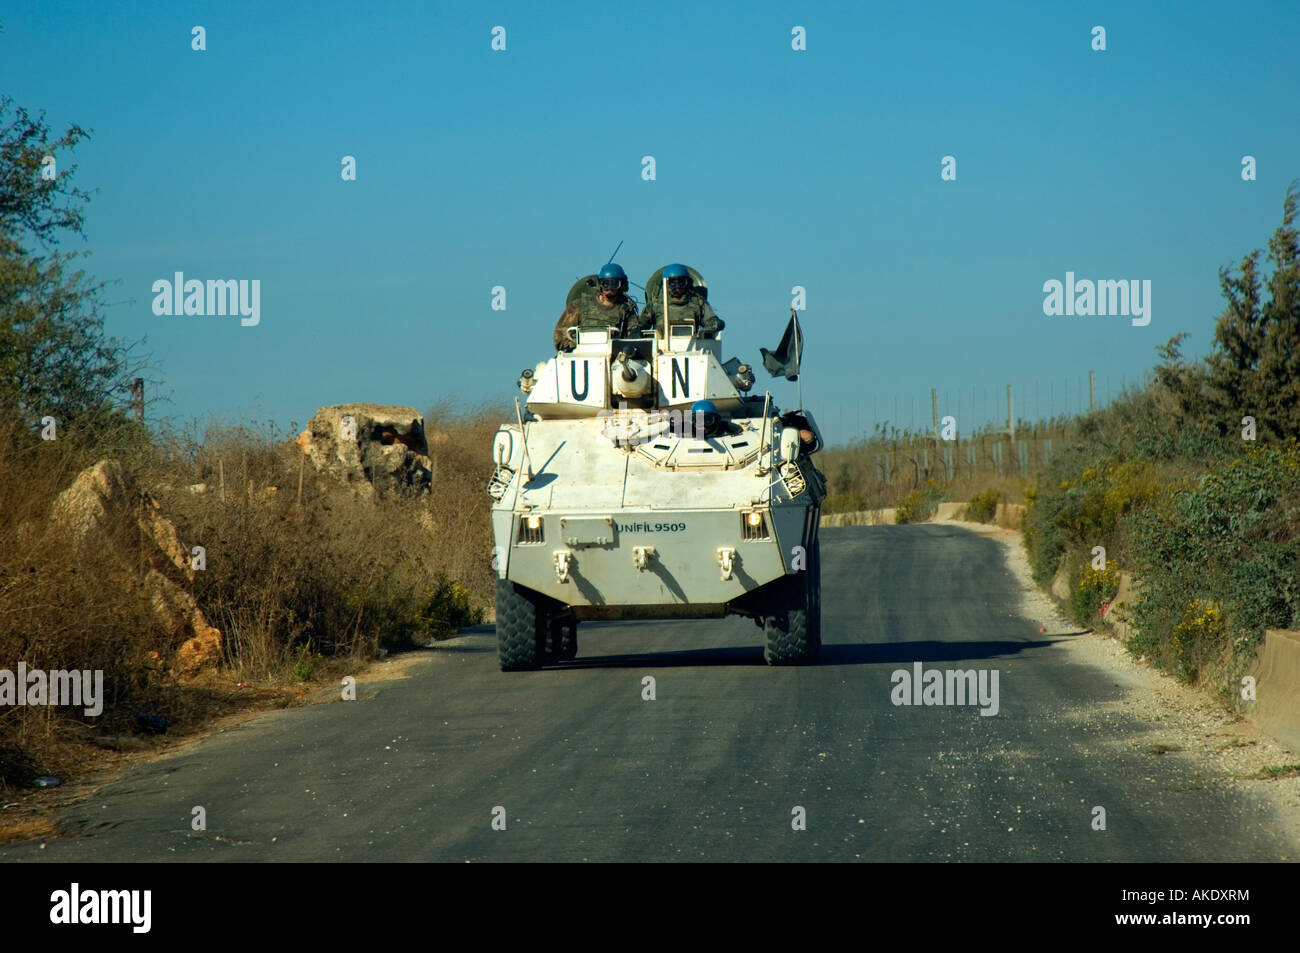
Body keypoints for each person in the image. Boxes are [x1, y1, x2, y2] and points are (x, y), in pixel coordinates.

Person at [553, 264, 641, 351]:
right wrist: (568, 347)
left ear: (622, 285)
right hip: (580, 356)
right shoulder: (580, 305)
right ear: (600, 284)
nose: (610, 289)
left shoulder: (625, 310)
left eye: (614, 284)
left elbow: (634, 336)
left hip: (612, 358)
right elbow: (560, 333)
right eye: (606, 284)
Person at [639, 263, 725, 339]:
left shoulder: (698, 303)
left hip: (693, 349)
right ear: (666, 284)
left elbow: (710, 320)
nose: (677, 287)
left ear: (687, 283)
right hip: (661, 349)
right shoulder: (655, 305)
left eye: (681, 283)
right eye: (673, 284)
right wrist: (635, 330)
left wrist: (715, 323)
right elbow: (641, 324)